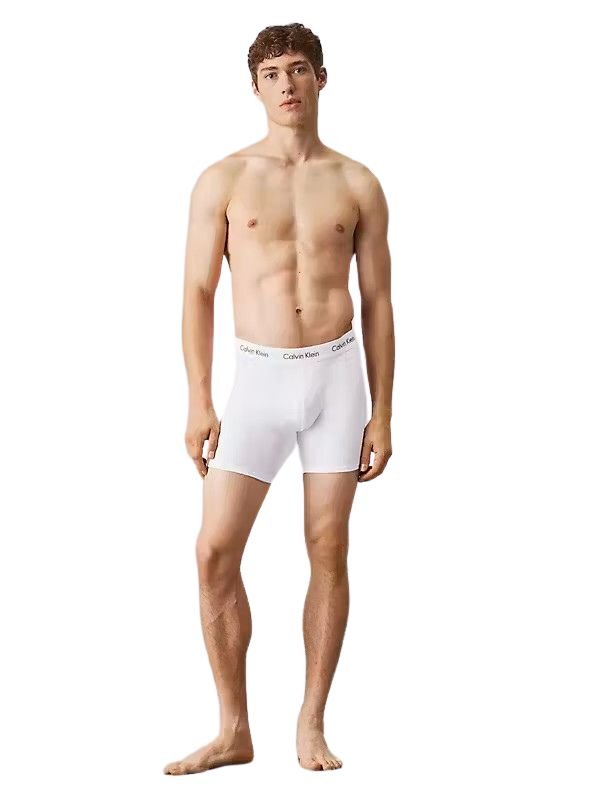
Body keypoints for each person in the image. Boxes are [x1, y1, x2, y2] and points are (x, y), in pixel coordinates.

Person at [164, 22, 394, 776]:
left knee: (328, 547)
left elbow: (379, 301)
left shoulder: (357, 182)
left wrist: (384, 411)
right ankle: (233, 728)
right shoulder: (224, 179)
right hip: (258, 379)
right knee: (213, 552)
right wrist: (199, 399)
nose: (286, 84)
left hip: (336, 378)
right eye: (271, 74)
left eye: (298, 69)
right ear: (255, 88)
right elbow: (197, 292)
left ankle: (311, 722)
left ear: (321, 79)